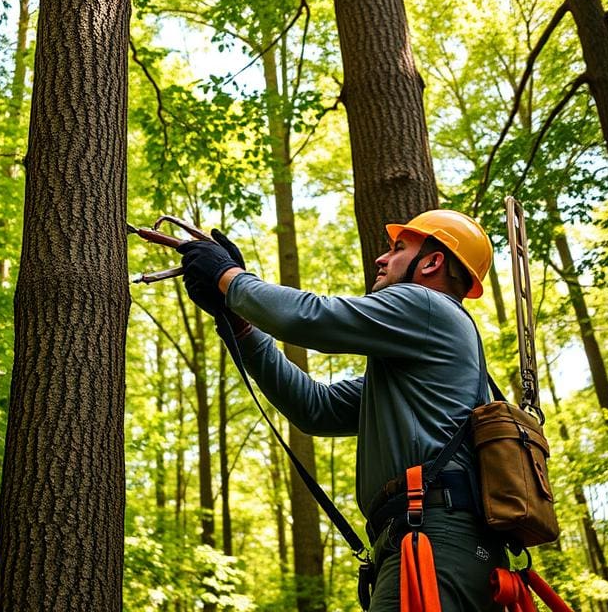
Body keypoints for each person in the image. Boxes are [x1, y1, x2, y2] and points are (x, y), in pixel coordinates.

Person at [177, 209, 507, 612]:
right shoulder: (414, 365)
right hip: (425, 536)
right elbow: (317, 408)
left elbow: (308, 317)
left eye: (399, 248)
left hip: (434, 536)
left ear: (433, 262)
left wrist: (228, 279)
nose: (381, 259)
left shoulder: (426, 305)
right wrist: (240, 322)